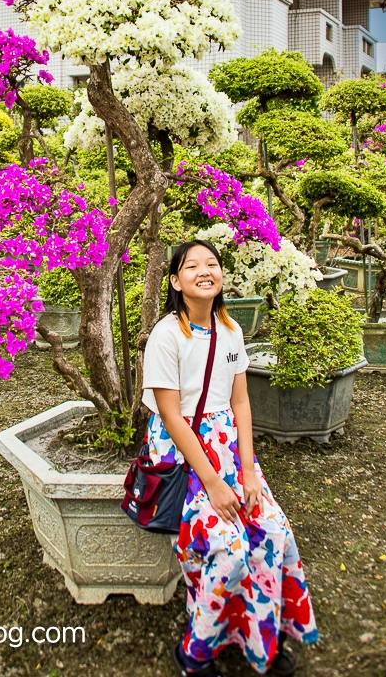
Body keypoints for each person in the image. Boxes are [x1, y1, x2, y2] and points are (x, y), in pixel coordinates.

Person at [142, 240, 318, 676]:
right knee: (228, 550)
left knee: (273, 533)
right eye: (192, 265)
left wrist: (249, 471)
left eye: (213, 264)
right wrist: (216, 484)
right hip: (184, 454)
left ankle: (262, 637)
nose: (205, 271)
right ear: (175, 281)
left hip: (230, 451)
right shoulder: (166, 336)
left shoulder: (232, 330)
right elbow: (170, 415)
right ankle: (195, 653)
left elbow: (240, 403)